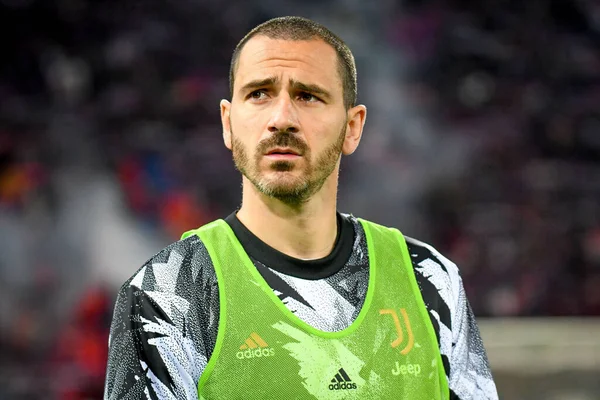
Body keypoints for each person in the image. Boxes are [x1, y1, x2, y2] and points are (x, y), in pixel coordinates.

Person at [103, 16, 499, 400]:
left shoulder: (430, 280)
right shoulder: (169, 292)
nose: (282, 119)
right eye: (259, 93)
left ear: (353, 127)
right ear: (227, 122)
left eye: (308, 95)